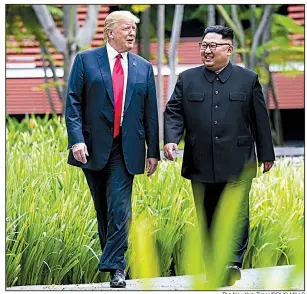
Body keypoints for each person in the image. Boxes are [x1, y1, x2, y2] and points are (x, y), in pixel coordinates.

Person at [164, 25, 275, 286]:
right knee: (207, 214)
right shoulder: (187, 78)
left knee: (236, 212)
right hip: (200, 160)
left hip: (239, 160)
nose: (207, 50)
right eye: (204, 45)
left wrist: (266, 154)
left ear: (229, 49)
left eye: (213, 46)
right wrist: (170, 139)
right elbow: (174, 112)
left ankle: (232, 262)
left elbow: (260, 119)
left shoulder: (248, 79)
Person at [65, 10, 160, 288]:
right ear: (110, 32)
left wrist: (151, 151)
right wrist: (76, 140)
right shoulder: (85, 61)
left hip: (126, 147)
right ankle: (117, 264)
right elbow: (73, 103)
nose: (132, 33)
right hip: (92, 146)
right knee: (103, 208)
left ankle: (116, 266)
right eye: (127, 28)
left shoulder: (143, 67)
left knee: (120, 207)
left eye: (134, 28)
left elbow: (150, 112)